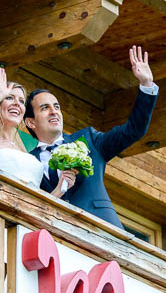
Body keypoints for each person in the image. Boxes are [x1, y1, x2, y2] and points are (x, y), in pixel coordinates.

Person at [25, 45, 157, 228]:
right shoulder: (28, 161)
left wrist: (146, 85)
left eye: (56, 107)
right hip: (59, 238)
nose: (54, 112)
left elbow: (134, 130)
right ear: (31, 122)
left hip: (104, 230)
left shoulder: (87, 140)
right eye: (45, 108)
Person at [0, 67, 70, 197]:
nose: (17, 103)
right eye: (9, 98)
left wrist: (60, 189)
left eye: (21, 101)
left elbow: (38, 203)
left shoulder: (25, 152)